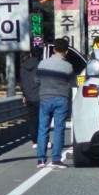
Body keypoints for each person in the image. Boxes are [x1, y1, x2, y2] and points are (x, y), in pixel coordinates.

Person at [35, 38, 76, 168]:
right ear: (66, 51)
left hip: (45, 97)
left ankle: (41, 160)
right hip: (61, 98)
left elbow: (37, 80)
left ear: (54, 49)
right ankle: (56, 159)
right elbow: (72, 83)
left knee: (43, 128)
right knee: (59, 129)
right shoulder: (68, 67)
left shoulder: (42, 63)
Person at [20, 45, 43, 148]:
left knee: (33, 119)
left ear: (31, 53)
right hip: (39, 95)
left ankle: (34, 141)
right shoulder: (41, 65)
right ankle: (42, 140)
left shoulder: (24, 66)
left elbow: (22, 81)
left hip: (28, 96)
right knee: (42, 118)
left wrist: (24, 95)